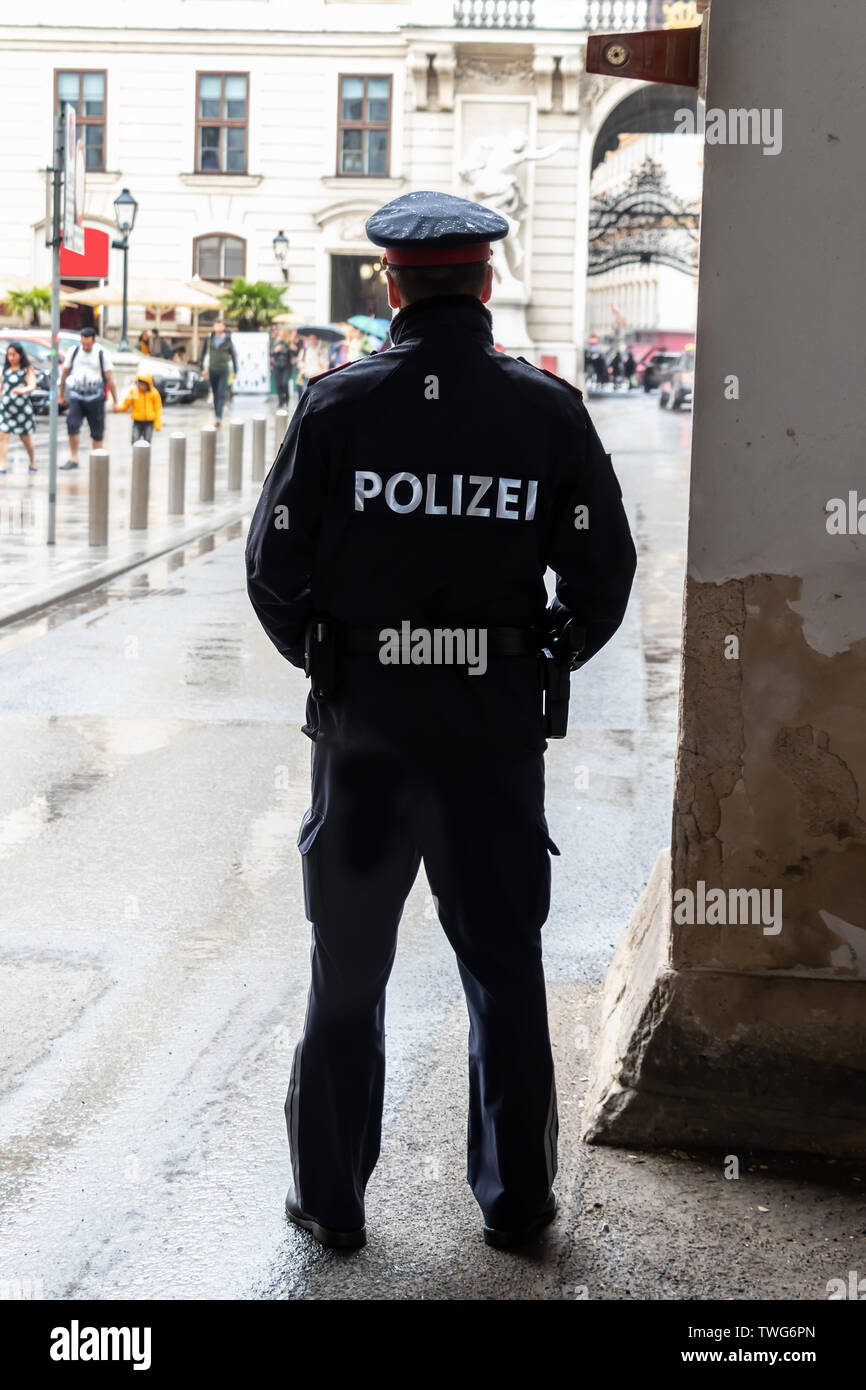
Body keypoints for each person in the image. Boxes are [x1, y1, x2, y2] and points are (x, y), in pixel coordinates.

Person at [246, 189, 636, 1254]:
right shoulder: (545, 411)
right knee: (503, 969)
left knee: (348, 972)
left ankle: (331, 1200)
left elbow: (273, 574)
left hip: (367, 740)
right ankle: (517, 1203)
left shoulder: (336, 407)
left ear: (389, 283)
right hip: (489, 746)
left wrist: (340, 674)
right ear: (488, 281)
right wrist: (530, 664)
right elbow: (603, 575)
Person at [58, 327, 117, 470]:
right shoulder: (74, 352)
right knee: (72, 425)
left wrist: (115, 400)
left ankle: (97, 458)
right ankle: (74, 458)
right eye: (83, 343)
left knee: (97, 430)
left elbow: (109, 378)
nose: (85, 347)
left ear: (94, 341)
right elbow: (65, 373)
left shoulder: (102, 354)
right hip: (77, 396)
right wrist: (61, 394)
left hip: (95, 398)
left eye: (88, 344)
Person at [0, 341, 38, 474]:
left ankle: (32, 461)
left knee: (25, 438)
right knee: (3, 435)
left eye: (14, 355)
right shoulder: (5, 369)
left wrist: (22, 390)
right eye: (9, 355)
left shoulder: (26, 369)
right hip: (6, 409)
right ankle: (2, 465)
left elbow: (32, 385)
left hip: (22, 410)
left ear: (20, 355)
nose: (11, 358)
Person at [200, 316, 238, 427]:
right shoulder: (209, 339)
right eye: (216, 324)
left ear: (224, 326)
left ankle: (218, 417)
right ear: (213, 326)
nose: (218, 326)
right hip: (212, 369)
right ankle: (217, 413)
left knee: (221, 393)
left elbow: (233, 356)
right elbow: (202, 355)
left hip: (224, 370)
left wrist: (235, 370)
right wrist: (202, 369)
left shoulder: (228, 339)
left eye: (220, 324)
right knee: (215, 393)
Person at [115, 369, 162, 443]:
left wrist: (157, 423)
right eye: (138, 384)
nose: (140, 386)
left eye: (142, 384)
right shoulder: (134, 392)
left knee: (147, 441)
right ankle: (136, 453)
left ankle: (146, 454)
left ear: (147, 385)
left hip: (149, 422)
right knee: (135, 440)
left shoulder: (154, 393)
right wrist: (119, 408)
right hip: (137, 422)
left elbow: (158, 409)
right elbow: (126, 404)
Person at [270, 328, 294, 409]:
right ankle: (280, 401)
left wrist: (291, 347)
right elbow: (271, 353)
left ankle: (286, 399)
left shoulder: (288, 343)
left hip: (286, 366)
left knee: (284, 383)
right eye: (280, 334)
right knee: (278, 385)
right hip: (277, 366)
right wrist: (275, 350)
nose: (281, 336)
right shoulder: (275, 343)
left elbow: (293, 352)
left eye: (283, 334)